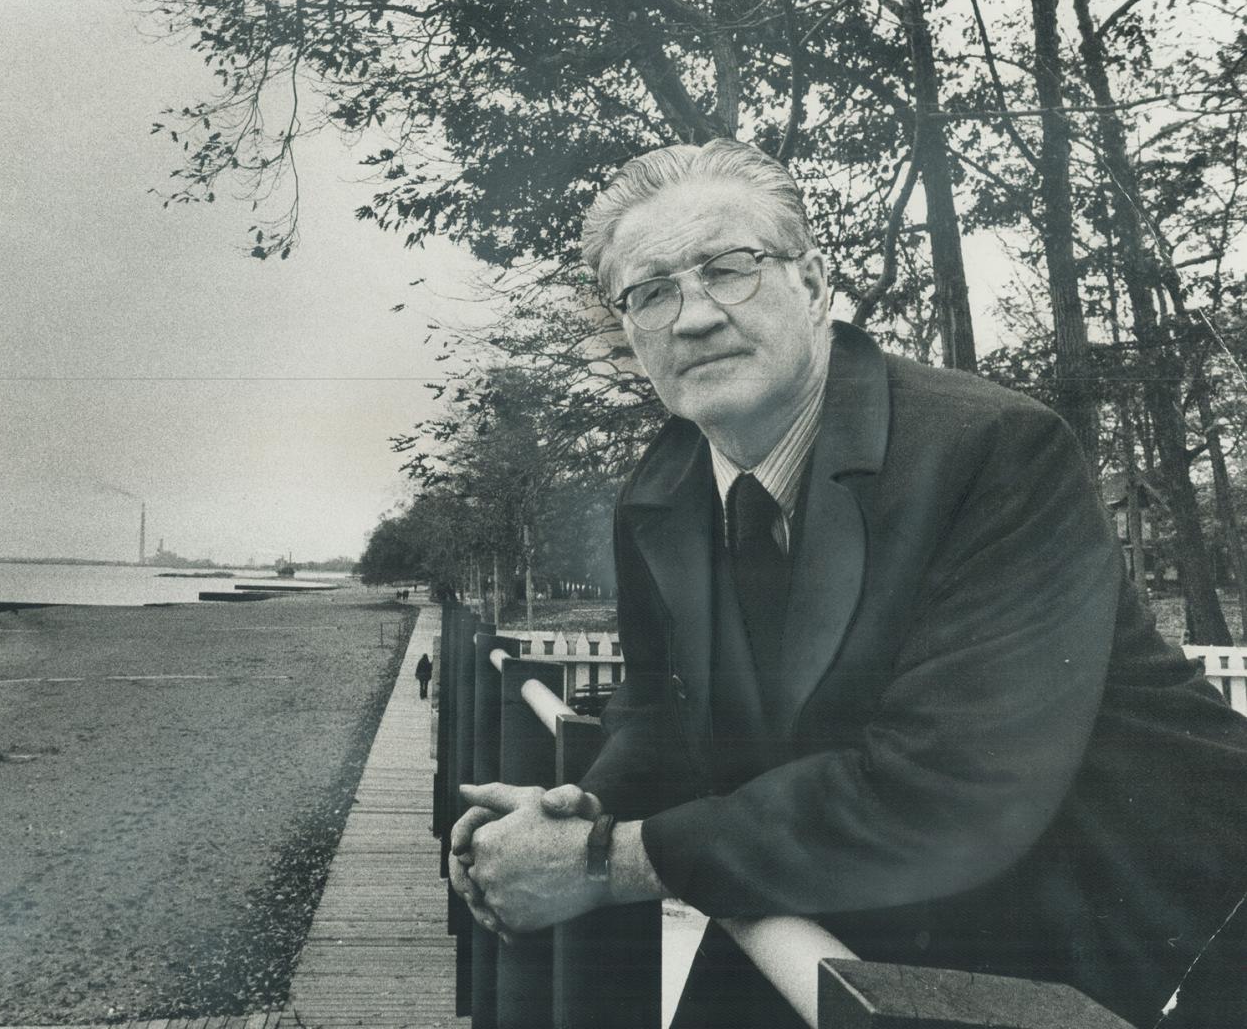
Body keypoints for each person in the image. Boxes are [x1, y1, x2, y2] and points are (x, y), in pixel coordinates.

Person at [448, 139, 1247, 1028]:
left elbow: (947, 791)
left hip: (1153, 948)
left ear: (816, 281)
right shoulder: (664, 485)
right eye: (650, 291)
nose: (695, 315)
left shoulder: (991, 451)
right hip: (861, 912)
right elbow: (659, 710)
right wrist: (574, 816)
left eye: (730, 268)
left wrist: (607, 864)